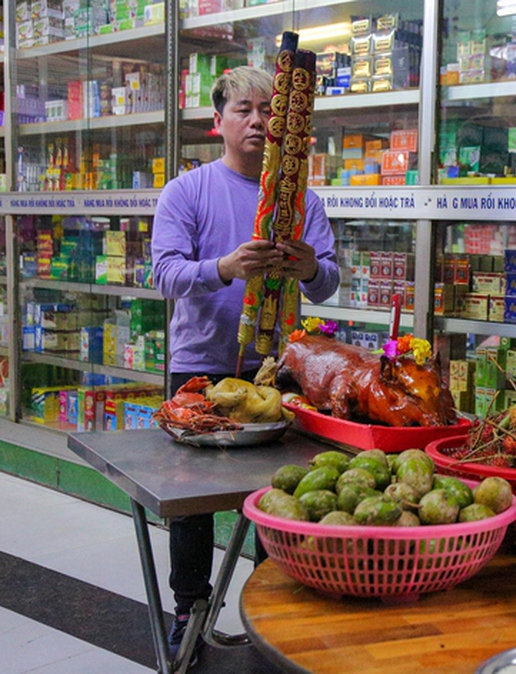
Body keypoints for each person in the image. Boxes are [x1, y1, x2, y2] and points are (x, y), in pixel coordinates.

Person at [151, 65, 339, 664]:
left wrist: (309, 268)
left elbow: (330, 282)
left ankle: (272, 606)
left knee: (277, 496)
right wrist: (226, 267)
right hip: (201, 368)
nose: (258, 121)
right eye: (244, 110)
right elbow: (164, 275)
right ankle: (189, 609)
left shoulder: (300, 199)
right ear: (218, 124)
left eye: (268, 111)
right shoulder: (187, 191)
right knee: (194, 503)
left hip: (276, 371)